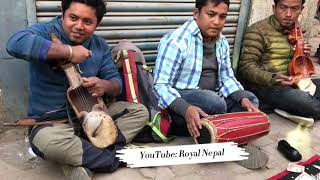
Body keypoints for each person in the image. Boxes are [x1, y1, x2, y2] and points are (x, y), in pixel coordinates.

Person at [6, 0, 148, 179]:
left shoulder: (99, 46)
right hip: (53, 123)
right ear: (63, 14)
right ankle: (112, 156)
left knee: (139, 112)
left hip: (94, 115)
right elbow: (14, 44)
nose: (79, 26)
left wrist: (103, 86)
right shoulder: (44, 31)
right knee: (47, 141)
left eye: (88, 22)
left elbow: (116, 83)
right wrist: (69, 52)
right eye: (73, 18)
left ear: (97, 24)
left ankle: (81, 158)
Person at [153, 0, 268, 169]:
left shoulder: (221, 42)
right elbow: (160, 86)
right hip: (183, 103)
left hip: (213, 98)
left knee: (251, 101)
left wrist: (242, 98)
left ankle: (216, 134)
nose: (217, 22)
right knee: (214, 102)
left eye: (222, 17)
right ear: (196, 13)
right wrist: (186, 109)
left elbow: (227, 77)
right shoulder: (177, 41)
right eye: (211, 14)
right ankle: (222, 135)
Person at [238, 0, 319, 125]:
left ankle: (289, 107)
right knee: (307, 103)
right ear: (274, 8)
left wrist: (302, 53)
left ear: (301, 9)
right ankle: (295, 106)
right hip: (268, 86)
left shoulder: (296, 29)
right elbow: (246, 67)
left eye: (294, 9)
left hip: (294, 83)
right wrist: (273, 78)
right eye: (283, 8)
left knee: (306, 98)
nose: (288, 14)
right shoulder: (258, 31)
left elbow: (295, 65)